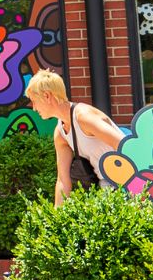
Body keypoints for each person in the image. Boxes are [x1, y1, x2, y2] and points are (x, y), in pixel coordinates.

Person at [25, 69, 124, 205]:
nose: (34, 108)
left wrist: (140, 189)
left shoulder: (84, 116)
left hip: (129, 182)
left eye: (34, 101)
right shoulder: (60, 133)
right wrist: (56, 220)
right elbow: (62, 180)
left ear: (47, 96)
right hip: (106, 189)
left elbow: (124, 146)